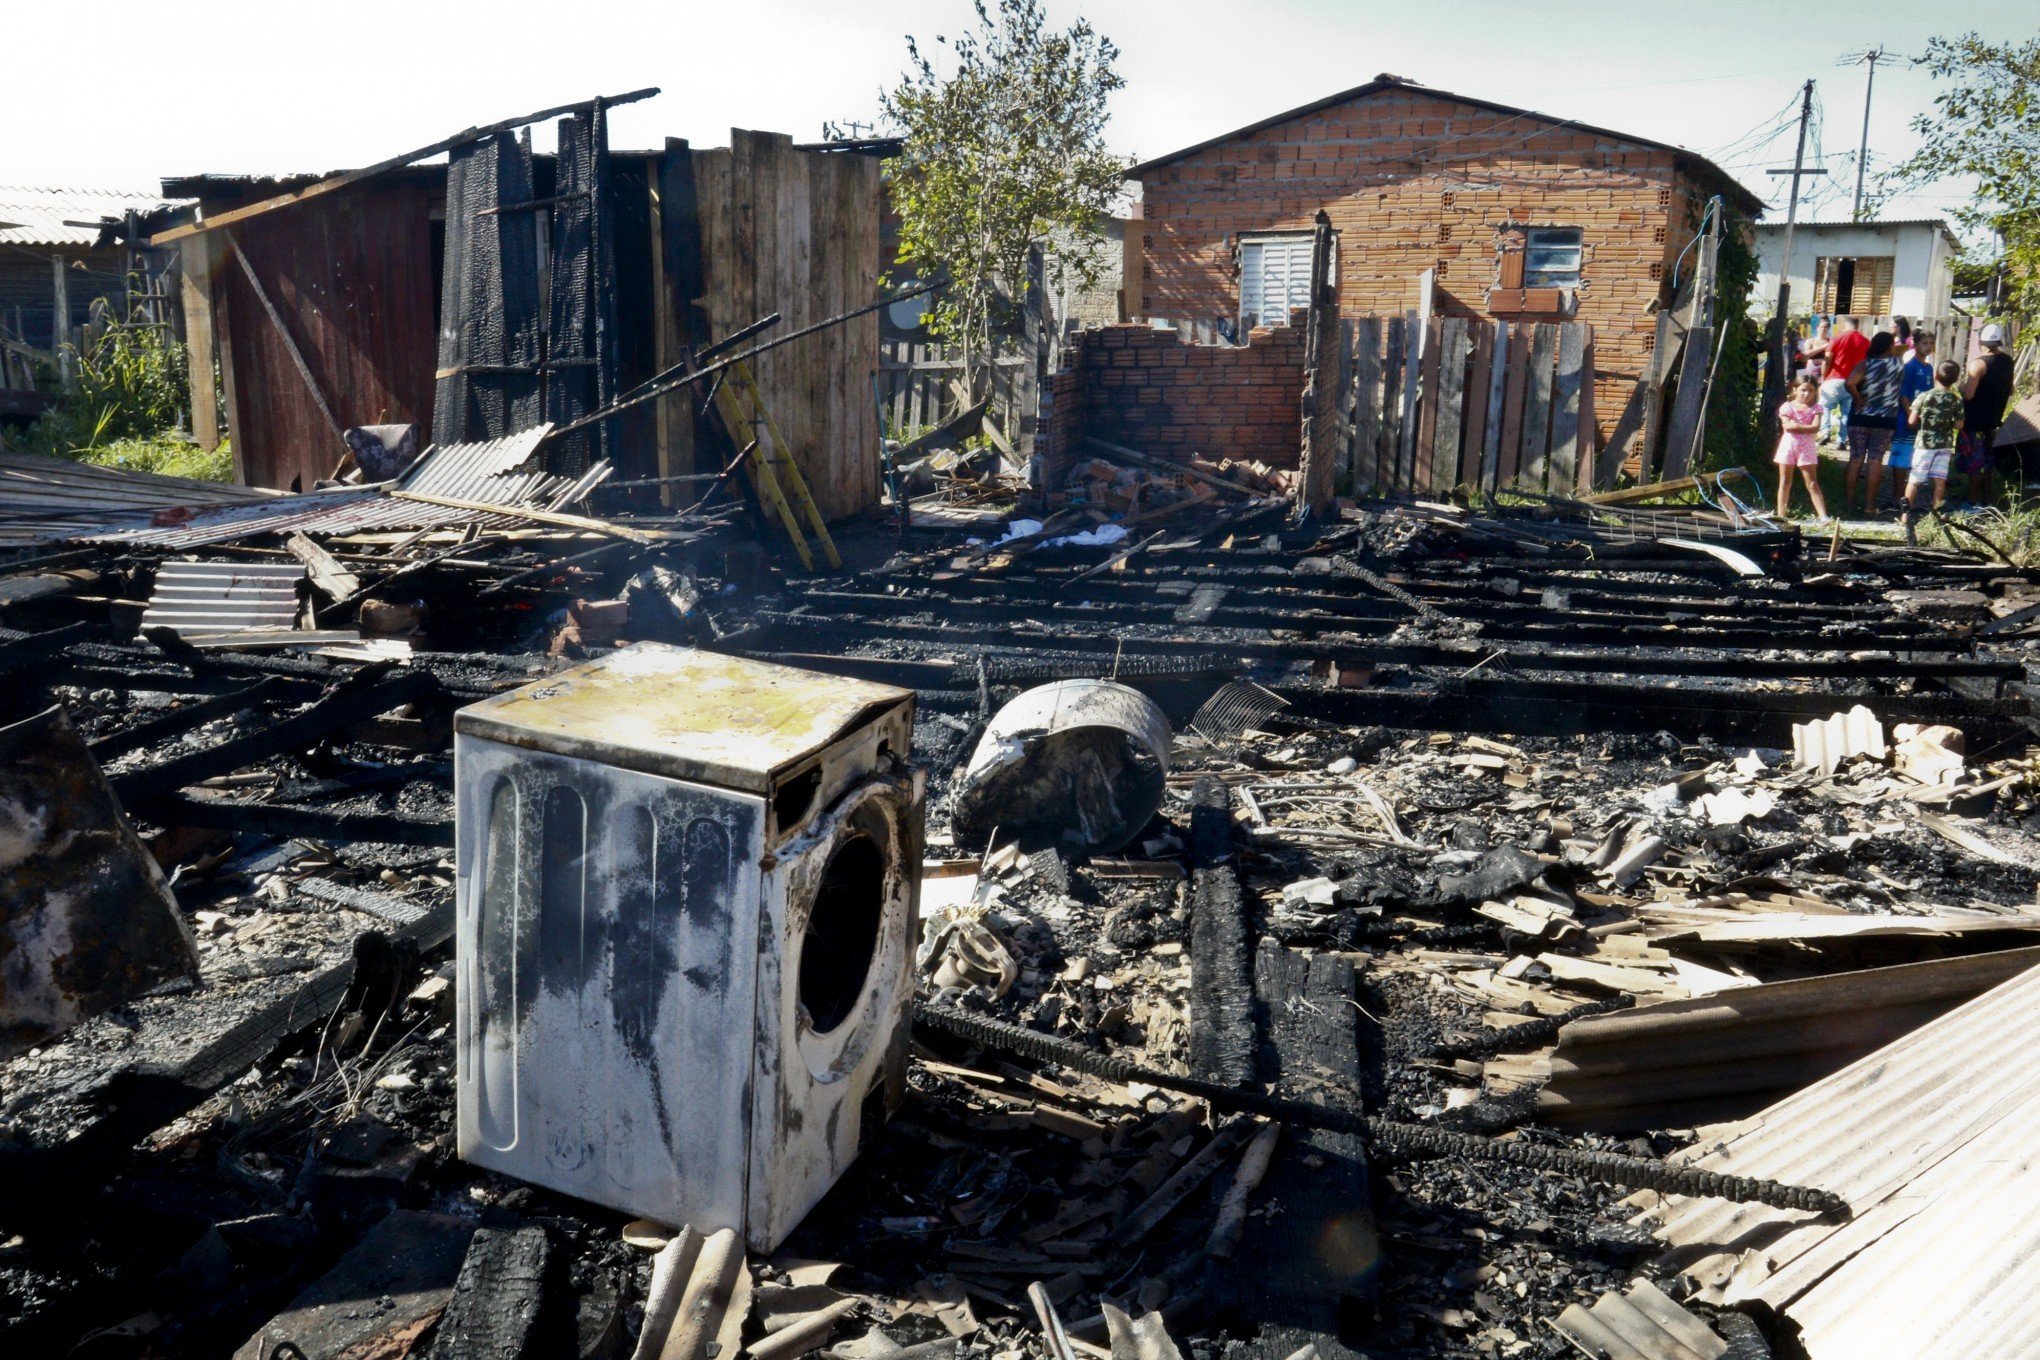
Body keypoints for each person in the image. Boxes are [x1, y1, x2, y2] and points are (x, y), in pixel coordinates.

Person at [1956, 322, 2018, 504]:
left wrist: (1961, 386)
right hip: (1993, 419)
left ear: (1980, 341)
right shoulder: (2007, 361)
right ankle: (1988, 499)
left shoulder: (1978, 364)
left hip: (1974, 420)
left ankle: (1972, 501)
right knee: (1987, 462)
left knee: (1975, 463)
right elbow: (2012, 390)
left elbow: (1969, 395)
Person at [1905, 359, 1965, 538]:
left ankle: (1904, 515)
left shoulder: (1925, 396)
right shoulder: (1955, 400)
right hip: (1944, 445)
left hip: (1924, 444)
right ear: (1955, 380)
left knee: (1915, 479)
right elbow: (1959, 425)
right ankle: (1936, 515)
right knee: (1940, 480)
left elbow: (1911, 421)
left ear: (1935, 375)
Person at [1845, 332, 1903, 516]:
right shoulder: (1899, 365)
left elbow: (1849, 383)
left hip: (1861, 417)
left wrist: (1859, 398)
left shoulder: (1865, 364)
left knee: (1856, 457)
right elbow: (1905, 348)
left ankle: (1849, 503)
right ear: (1888, 347)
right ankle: (1870, 505)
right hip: (1886, 419)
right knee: (1875, 459)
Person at [1886, 332, 1937, 511]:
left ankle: (1907, 498)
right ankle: (1896, 498)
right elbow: (1903, 394)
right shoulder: (1910, 367)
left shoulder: (1929, 368)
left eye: (1931, 343)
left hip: (1922, 420)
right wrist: (1910, 415)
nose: (1928, 346)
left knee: (1914, 460)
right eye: (1924, 343)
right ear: (1915, 345)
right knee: (1901, 459)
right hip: (1906, 419)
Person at [1774, 375, 1829, 521]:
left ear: (1815, 392)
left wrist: (1797, 426)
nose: (1806, 394)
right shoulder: (1787, 406)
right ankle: (1781, 515)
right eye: (1803, 390)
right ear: (1795, 389)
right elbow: (1787, 425)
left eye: (1811, 391)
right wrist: (1805, 427)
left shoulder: (1816, 408)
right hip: (1788, 446)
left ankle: (1823, 516)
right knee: (1785, 481)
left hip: (1807, 448)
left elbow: (1815, 428)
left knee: (1812, 482)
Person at [1819, 319, 1868, 446]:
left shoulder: (1836, 338)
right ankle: (1841, 440)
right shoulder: (1866, 341)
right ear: (1857, 326)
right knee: (1846, 412)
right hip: (1854, 382)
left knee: (1825, 406)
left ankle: (1825, 432)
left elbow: (1827, 360)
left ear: (1845, 325)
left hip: (1834, 378)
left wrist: (1823, 378)